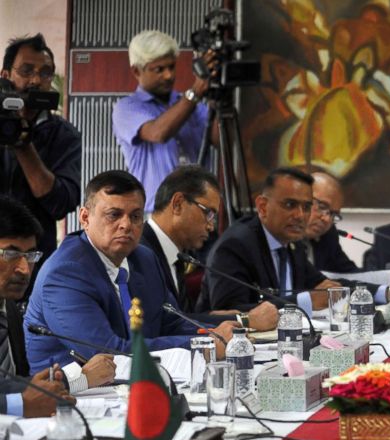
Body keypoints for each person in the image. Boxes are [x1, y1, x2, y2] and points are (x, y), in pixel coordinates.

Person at [24, 170, 233, 371]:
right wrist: (204, 346)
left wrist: (215, 336)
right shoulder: (65, 274)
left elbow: (172, 323)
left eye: (135, 216)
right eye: (114, 215)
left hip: (133, 385)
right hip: (73, 396)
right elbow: (109, 353)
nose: (126, 225)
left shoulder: (144, 258)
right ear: (85, 218)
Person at [142, 165, 278, 329]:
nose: (211, 226)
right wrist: (245, 320)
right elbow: (165, 325)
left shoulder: (177, 254)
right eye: (208, 213)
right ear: (178, 204)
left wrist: (209, 317)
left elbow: (180, 317)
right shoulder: (141, 252)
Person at [201, 168, 338, 313]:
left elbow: (320, 285)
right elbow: (228, 311)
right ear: (262, 206)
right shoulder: (236, 245)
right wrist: (303, 302)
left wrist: (357, 289)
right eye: (290, 205)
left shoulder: (292, 244)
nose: (300, 215)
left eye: (306, 207)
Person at [112, 30, 214, 212]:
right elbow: (158, 133)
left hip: (199, 213)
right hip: (155, 216)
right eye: (159, 69)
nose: (168, 75)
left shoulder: (192, 106)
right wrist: (195, 92)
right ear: (137, 71)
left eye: (172, 67)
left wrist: (218, 93)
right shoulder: (127, 107)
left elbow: (222, 140)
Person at [0, 33, 81, 259]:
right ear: (5, 76)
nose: (35, 81)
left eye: (45, 73)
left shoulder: (64, 135)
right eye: (26, 71)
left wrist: (22, 142)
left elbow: (60, 205)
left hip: (34, 259)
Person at [0, 196, 79, 417]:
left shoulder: (10, 310)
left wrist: (34, 386)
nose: (25, 269)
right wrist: (20, 405)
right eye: (12, 254)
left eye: (30, 255)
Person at [303, 171, 360, 274]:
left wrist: (387, 283)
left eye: (334, 214)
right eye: (322, 207)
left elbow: (350, 273)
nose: (327, 219)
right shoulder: (279, 235)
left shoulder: (328, 235)